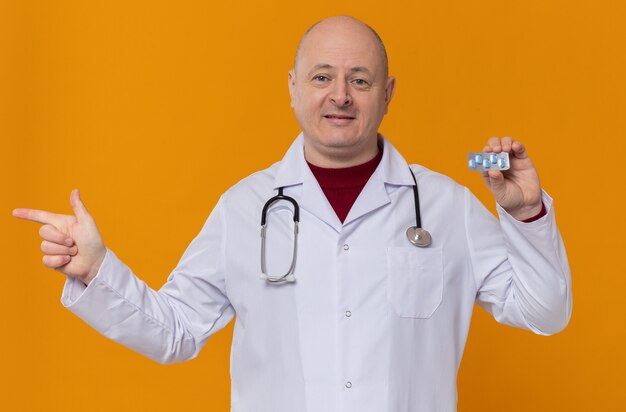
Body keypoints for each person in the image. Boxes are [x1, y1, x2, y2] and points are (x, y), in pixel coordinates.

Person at [13, 15, 571, 412]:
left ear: (388, 93)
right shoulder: (243, 208)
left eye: (360, 79)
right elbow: (176, 332)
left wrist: (526, 216)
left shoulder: (447, 206)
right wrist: (96, 271)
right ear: (293, 88)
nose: (341, 96)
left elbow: (545, 314)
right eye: (322, 76)